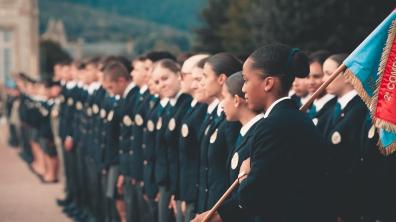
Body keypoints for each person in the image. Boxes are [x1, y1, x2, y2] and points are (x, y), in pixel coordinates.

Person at [193, 44, 328, 222]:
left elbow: (256, 193)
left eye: (247, 80)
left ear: (268, 83)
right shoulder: (289, 118)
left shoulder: (273, 126)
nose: (243, 89)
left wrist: (246, 175)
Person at [322, 54, 372, 221]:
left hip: (349, 200)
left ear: (347, 76)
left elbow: (356, 160)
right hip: (332, 197)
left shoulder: (359, 110)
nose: (324, 79)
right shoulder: (333, 110)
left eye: (329, 74)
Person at [305, 50, 336, 133]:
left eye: (316, 76)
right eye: (307, 77)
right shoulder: (307, 107)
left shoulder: (335, 108)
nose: (311, 82)